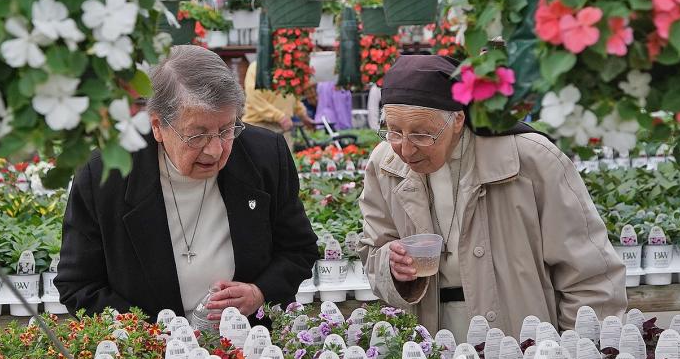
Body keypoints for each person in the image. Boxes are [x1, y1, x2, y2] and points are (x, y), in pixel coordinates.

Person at [359, 54, 626, 341]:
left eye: (422, 135)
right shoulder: (384, 165)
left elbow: (590, 273)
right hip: (430, 342)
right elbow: (373, 252)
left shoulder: (530, 159)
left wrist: (579, 355)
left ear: (458, 118)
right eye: (394, 132)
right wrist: (392, 266)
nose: (406, 150)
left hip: (524, 337)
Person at [56, 45, 318, 323]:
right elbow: (78, 286)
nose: (215, 150)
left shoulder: (264, 154)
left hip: (250, 343)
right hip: (146, 352)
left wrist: (259, 292)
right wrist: (152, 333)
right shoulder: (104, 175)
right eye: (197, 135)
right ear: (157, 125)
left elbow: (298, 248)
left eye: (227, 130)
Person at [241, 61, 314, 149]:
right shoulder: (256, 67)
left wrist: (303, 115)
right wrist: (280, 117)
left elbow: (292, 96)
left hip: (284, 129)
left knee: (284, 161)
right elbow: (254, 98)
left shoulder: (288, 66)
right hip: (258, 127)